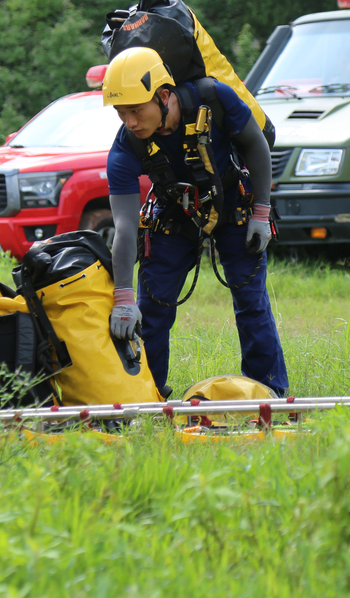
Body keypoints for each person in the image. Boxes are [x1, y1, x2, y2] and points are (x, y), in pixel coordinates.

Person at [101, 47, 289, 397]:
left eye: (136, 109)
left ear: (163, 96)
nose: (130, 122)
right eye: (120, 112)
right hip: (174, 212)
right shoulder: (126, 148)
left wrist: (261, 213)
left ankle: (269, 393)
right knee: (152, 308)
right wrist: (124, 297)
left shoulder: (214, 97)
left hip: (233, 204)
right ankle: (148, 395)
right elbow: (124, 227)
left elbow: (256, 145)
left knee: (251, 302)